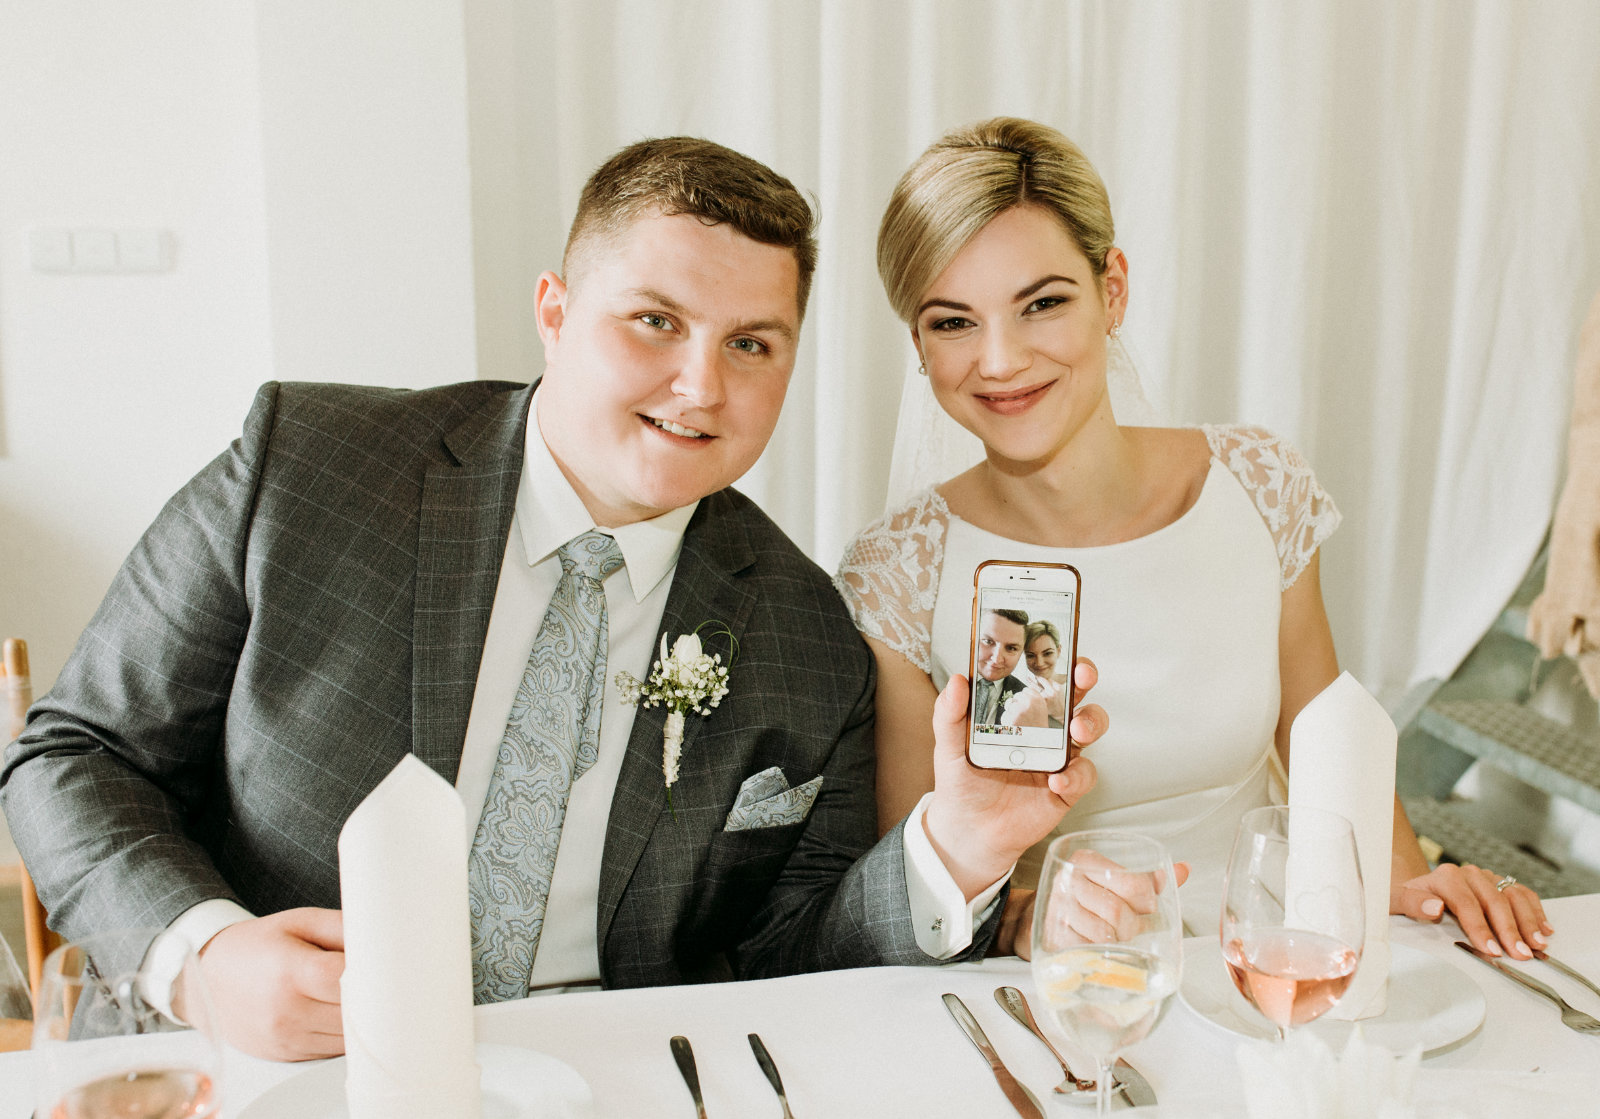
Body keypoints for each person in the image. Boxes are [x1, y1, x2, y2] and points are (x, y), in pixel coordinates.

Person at [0, 136, 1105, 1061]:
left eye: (751, 344)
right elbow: (77, 752)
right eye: (655, 321)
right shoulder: (308, 467)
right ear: (555, 310)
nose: (701, 385)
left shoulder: (809, 634)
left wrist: (958, 844)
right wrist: (201, 954)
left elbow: (793, 954)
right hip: (272, 1070)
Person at [835, 116, 1551, 958]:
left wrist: (1411, 895)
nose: (999, 360)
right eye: (953, 322)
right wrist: (1032, 914)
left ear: (1113, 291)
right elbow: (921, 893)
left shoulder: (1256, 486)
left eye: (1043, 303)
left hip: (1268, 961)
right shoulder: (900, 570)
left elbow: (1329, 749)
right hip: (1054, 987)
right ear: (919, 345)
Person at [1022, 620, 1069, 729]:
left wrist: (1061, 715)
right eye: (1030, 655)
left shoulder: (1074, 685)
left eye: (1047, 653)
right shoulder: (1023, 692)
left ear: (1058, 651)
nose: (1039, 663)